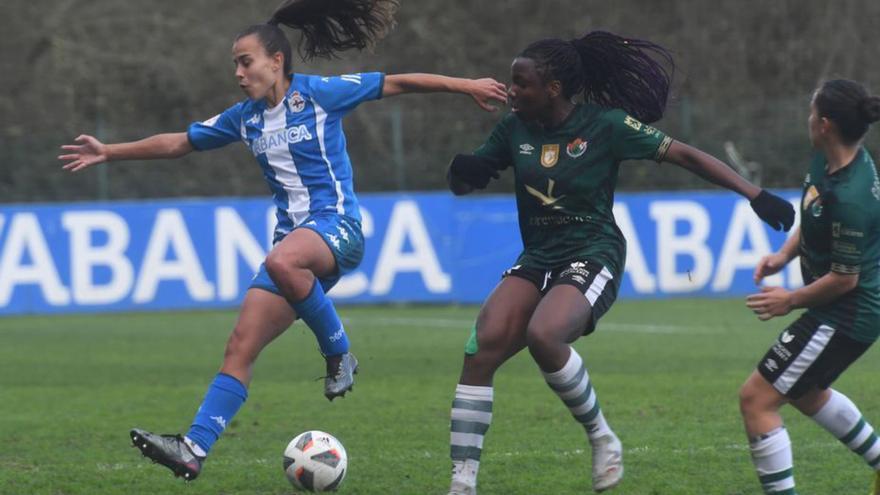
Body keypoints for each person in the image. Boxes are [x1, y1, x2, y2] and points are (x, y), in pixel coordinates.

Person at [58, 0, 506, 481]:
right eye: (234, 62)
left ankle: (339, 353)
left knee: (280, 260)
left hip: (337, 229)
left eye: (244, 60)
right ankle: (193, 447)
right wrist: (110, 152)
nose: (237, 71)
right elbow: (179, 142)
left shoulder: (319, 95)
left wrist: (466, 86)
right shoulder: (244, 118)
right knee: (240, 346)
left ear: (276, 61)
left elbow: (395, 83)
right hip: (292, 251)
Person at [444, 31, 795, 494]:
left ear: (552, 89)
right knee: (480, 348)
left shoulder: (605, 125)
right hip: (538, 256)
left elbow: (683, 154)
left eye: (520, 83)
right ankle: (462, 484)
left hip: (593, 252)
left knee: (545, 335)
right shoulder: (514, 128)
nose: (511, 90)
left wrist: (754, 194)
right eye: (511, 82)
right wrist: (463, 174)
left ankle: (602, 437)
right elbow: (474, 174)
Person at [740, 79, 880, 495]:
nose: (807, 119)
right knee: (804, 392)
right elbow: (813, 212)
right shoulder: (829, 162)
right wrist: (784, 255)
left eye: (811, 113)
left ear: (824, 125)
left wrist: (790, 300)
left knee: (756, 400)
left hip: (848, 312)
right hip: (838, 307)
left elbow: (845, 278)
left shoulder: (853, 196)